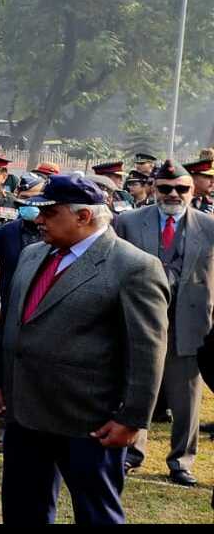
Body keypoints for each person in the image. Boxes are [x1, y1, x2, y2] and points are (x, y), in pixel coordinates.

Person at [0, 175, 169, 524]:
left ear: (83, 216)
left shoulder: (134, 267)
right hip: (25, 414)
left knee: (97, 513)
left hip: (90, 421)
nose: (38, 220)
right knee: (23, 510)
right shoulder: (32, 254)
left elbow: (147, 351)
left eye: (50, 213)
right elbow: (14, 323)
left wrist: (132, 418)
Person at [112, 160, 212, 485]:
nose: (173, 194)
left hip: (191, 324)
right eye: (165, 188)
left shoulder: (210, 227)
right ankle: (131, 452)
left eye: (181, 188)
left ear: (192, 190)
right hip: (140, 321)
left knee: (187, 398)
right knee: (137, 387)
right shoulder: (127, 222)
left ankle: (181, 461)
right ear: (154, 188)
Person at [0, 172, 50, 453]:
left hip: (42, 313)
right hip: (9, 309)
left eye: (33, 200)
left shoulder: (50, 232)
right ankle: (4, 432)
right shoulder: (6, 233)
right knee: (2, 368)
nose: (28, 205)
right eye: (22, 200)